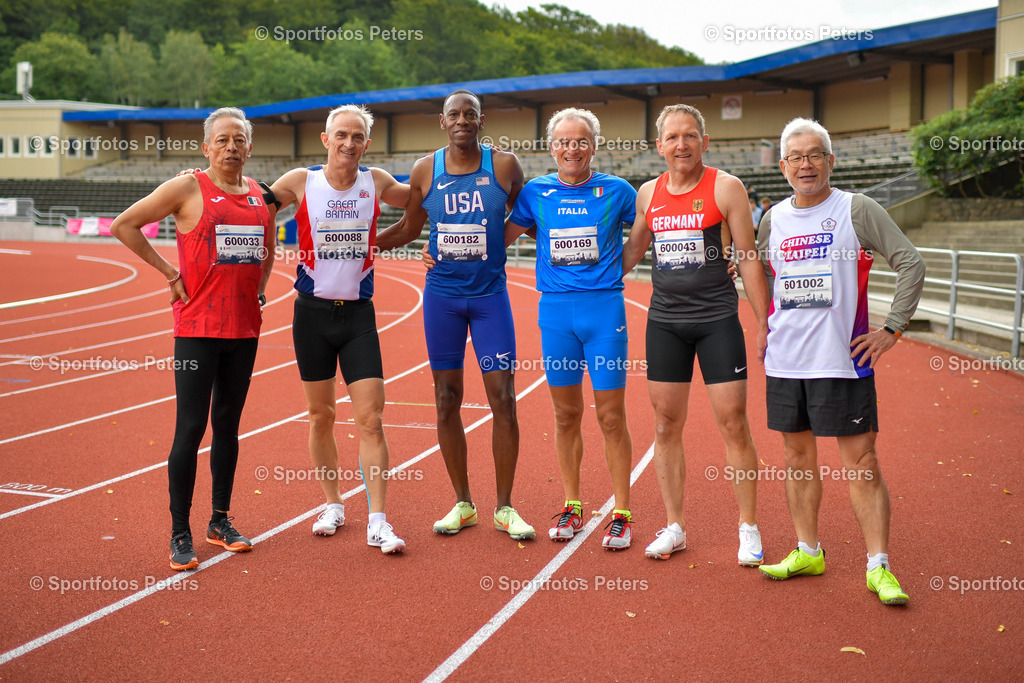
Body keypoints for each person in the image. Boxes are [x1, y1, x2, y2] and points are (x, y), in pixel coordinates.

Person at [756, 117, 924, 605]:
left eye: (815, 155)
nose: (805, 165)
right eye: (796, 157)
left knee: (863, 463)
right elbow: (762, 272)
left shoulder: (857, 209)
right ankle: (808, 550)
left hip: (843, 361)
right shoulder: (772, 220)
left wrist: (892, 328)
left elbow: (910, 261)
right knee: (796, 458)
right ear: (783, 167)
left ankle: (878, 566)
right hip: (787, 362)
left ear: (830, 161)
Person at [110, 107, 275, 571]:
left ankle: (219, 521)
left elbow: (266, 252)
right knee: (190, 431)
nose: (231, 147)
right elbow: (124, 225)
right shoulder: (187, 187)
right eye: (221, 140)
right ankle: (179, 531)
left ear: (249, 146)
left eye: (238, 139)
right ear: (206, 147)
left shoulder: (261, 197)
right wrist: (169, 273)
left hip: (244, 332)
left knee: (228, 428)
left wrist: (259, 290)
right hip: (198, 333)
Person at [376, 89, 534, 540]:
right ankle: (463, 503)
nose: (462, 120)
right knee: (446, 398)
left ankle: (504, 507)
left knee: (502, 396)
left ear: (481, 121)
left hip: (489, 299)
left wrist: (499, 245)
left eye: (470, 114)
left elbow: (529, 217)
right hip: (443, 297)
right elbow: (409, 227)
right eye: (454, 114)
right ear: (442, 122)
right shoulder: (426, 169)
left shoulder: (504, 166)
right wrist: (364, 246)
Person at [622, 104, 771, 564]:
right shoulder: (648, 193)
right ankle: (674, 526)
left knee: (733, 422)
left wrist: (765, 322)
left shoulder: (726, 187)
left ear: (704, 142)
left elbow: (746, 256)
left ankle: (748, 528)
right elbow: (629, 254)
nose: (681, 144)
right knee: (665, 425)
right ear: (659, 145)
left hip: (715, 321)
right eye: (672, 137)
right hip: (665, 321)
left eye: (690, 136)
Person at [269, 104, 410, 554]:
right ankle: (333, 504)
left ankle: (378, 520)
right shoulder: (299, 182)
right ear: (325, 139)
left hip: (357, 318)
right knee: (321, 416)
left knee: (370, 419)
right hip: (310, 315)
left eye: (358, 136)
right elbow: (251, 206)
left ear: (367, 144)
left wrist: (411, 243)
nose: (349, 143)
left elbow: (427, 197)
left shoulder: (378, 182)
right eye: (341, 135)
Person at [504, 108, 637, 549]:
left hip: (604, 313)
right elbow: (496, 238)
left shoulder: (617, 190)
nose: (571, 149)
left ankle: (622, 511)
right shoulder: (535, 193)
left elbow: (659, 230)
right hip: (556, 316)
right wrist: (440, 250)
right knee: (565, 415)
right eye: (563, 141)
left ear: (594, 147)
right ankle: (573, 503)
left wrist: (624, 265)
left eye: (580, 141)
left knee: (611, 417)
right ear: (551, 147)